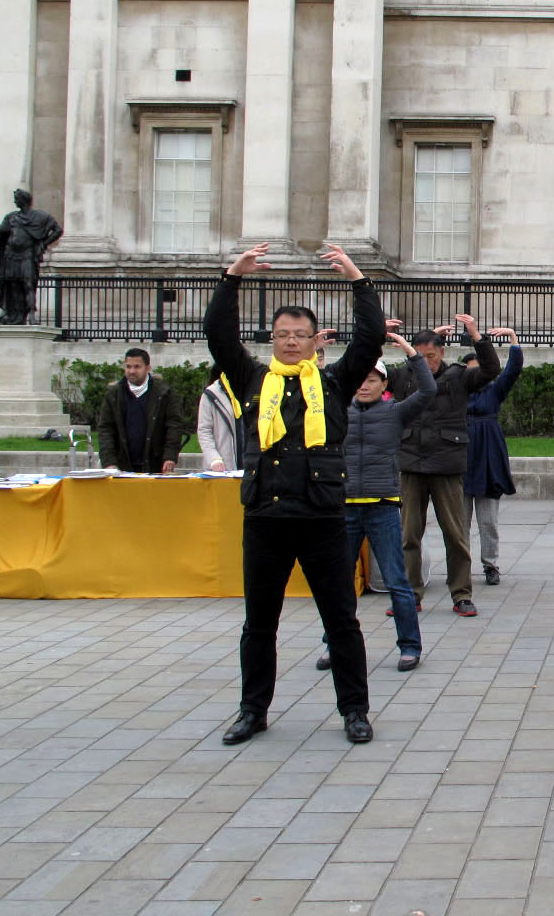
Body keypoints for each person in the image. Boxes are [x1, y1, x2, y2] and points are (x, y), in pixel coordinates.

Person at [206, 241, 383, 747]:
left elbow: (370, 338)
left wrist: (358, 280)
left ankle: (354, 710)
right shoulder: (251, 378)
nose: (290, 342)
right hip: (266, 516)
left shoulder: (334, 382)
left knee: (342, 621)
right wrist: (232, 278)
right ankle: (252, 711)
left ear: (313, 341)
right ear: (273, 338)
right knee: (259, 625)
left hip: (321, 518)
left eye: (299, 335)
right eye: (282, 334)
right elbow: (218, 335)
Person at [326, 334, 436, 673]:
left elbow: (428, 390)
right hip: (345, 507)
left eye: (372, 380)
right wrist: (320, 349)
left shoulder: (395, 412)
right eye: (360, 379)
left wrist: (410, 352)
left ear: (384, 383)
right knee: (337, 583)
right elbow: (317, 383)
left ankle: (410, 646)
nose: (364, 385)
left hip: (382, 506)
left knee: (396, 581)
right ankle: (334, 645)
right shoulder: (338, 410)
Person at [391, 317, 502, 615]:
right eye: (420, 356)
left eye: (431, 355)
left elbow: (491, 370)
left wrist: (477, 336)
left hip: (447, 465)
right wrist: (379, 336)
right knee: (409, 535)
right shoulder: (403, 377)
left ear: (442, 352)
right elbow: (365, 372)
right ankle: (410, 595)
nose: (426, 362)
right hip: (411, 464)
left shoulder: (458, 377)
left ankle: (461, 594)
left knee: (455, 534)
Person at [463, 329, 523, 585]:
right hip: (460, 459)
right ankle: (460, 565)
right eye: (470, 372)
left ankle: (490, 564)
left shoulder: (494, 391)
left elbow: (512, 370)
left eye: (479, 370)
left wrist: (513, 338)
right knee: (459, 522)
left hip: (488, 458)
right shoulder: (455, 392)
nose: (476, 376)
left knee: (488, 521)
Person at [95, 348, 187, 474]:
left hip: (155, 465)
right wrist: (109, 462)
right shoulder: (113, 394)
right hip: (121, 466)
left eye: (137, 367)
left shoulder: (164, 393)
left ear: (148, 368)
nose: (132, 371)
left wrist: (170, 456)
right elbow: (105, 429)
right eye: (128, 367)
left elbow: (174, 425)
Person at [0, 188, 62, 325]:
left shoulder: (41, 217)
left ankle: (31, 315)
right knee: (13, 285)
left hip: (27, 256)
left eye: (16, 199)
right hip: (11, 256)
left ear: (23, 200)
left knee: (28, 284)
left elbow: (58, 230)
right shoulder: (11, 217)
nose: (14, 201)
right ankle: (14, 315)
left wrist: (43, 244)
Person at [198, 364, 246, 472]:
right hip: (222, 467)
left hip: (249, 466)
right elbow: (204, 431)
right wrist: (213, 459)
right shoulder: (210, 394)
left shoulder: (253, 390)